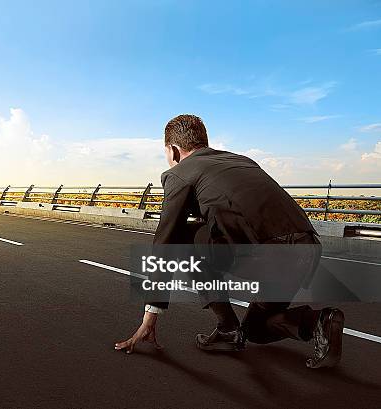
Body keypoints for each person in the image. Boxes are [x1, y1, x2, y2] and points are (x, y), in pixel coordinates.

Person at [114, 114, 344, 368]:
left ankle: (226, 326)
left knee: (183, 240)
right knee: (256, 329)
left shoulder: (180, 173)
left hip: (267, 252)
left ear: (174, 150)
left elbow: (166, 242)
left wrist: (150, 316)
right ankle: (319, 321)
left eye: (166, 154)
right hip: (306, 249)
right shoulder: (241, 161)